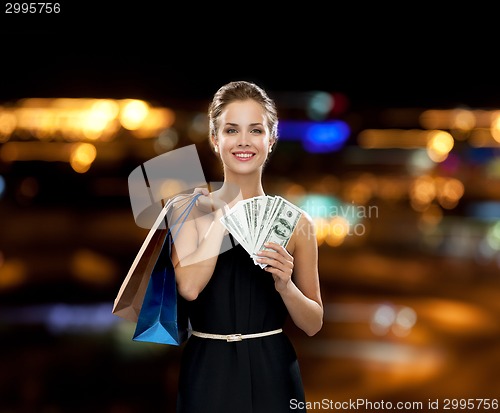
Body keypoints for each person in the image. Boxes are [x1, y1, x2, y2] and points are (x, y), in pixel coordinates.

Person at [171, 80, 323, 413]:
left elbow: (313, 323)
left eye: (255, 130)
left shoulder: (297, 223)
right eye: (231, 130)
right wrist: (220, 218)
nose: (243, 141)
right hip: (208, 371)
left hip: (274, 369)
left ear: (272, 138)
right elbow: (190, 288)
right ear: (215, 139)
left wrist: (285, 286)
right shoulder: (189, 210)